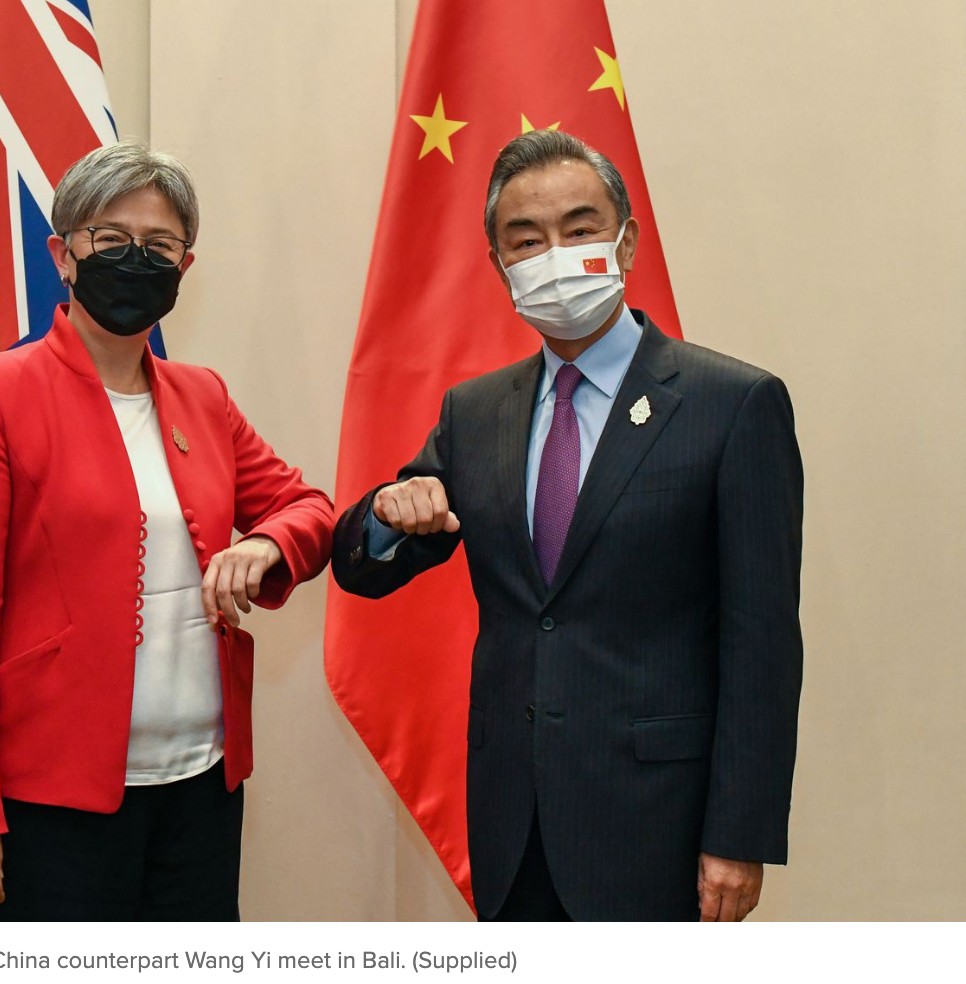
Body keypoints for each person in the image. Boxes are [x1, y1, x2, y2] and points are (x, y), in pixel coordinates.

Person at [332, 129, 802, 922]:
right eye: (527, 240)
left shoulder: (731, 406)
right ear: (500, 266)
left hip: (660, 824)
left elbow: (763, 644)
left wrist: (739, 834)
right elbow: (361, 566)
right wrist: (385, 514)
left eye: (580, 229)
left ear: (626, 241)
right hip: (513, 821)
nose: (554, 254)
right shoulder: (476, 412)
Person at [0, 142, 334, 921]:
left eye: (159, 246)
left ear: (183, 267)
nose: (135, 260)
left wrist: (264, 543)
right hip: (52, 801)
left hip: (201, 786)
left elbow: (309, 508)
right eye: (111, 240)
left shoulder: (202, 396)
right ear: (62, 255)